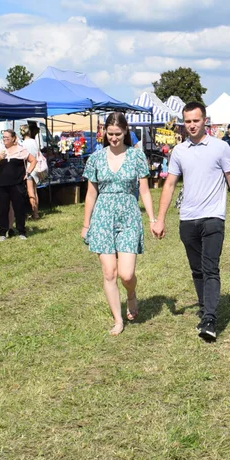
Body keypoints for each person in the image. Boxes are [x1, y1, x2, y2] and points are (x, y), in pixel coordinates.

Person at [152, 101, 230, 343]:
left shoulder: (220, 147)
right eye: (188, 121)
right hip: (188, 219)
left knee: (210, 267)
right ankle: (206, 311)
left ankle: (210, 319)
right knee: (196, 269)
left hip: (214, 218)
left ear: (205, 120)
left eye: (196, 120)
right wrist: (160, 219)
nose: (192, 125)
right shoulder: (179, 151)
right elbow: (170, 185)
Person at [81, 112, 156, 337]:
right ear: (104, 132)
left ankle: (131, 295)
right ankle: (118, 320)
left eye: (118, 134)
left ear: (126, 132)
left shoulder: (136, 157)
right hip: (102, 217)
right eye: (110, 134)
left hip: (129, 217)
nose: (113, 138)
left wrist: (152, 219)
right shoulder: (95, 159)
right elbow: (91, 194)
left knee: (126, 273)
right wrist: (86, 225)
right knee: (109, 273)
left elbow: (144, 190)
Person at [0, 129, 36, 240]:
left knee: (19, 208)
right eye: (3, 137)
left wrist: (28, 173)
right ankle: (3, 233)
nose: (5, 139)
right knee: (2, 209)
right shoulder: (0, 151)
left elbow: (33, 160)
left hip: (17, 184)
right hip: (2, 185)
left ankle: (21, 231)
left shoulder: (21, 150)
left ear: (13, 138)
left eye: (7, 137)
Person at [21, 122, 42, 219]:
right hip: (36, 167)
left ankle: (35, 213)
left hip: (28, 168)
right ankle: (36, 212)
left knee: (30, 192)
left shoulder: (22, 144)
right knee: (35, 190)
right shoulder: (34, 141)